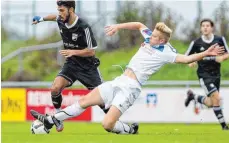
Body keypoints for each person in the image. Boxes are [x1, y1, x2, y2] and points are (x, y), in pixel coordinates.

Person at [30, 21, 224, 134]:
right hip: (120, 80)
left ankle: (130, 130)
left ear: (162, 40)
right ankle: (50, 121)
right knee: (84, 101)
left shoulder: (166, 51)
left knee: (107, 124)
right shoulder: (150, 38)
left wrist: (206, 52)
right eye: (152, 34)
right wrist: (118, 26)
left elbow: (187, 58)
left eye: (155, 36)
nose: (150, 37)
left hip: (132, 88)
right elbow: (139, 25)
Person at [32, 0, 105, 132]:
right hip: (71, 65)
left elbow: (92, 51)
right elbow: (53, 17)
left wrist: (73, 52)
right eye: (58, 10)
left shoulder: (84, 26)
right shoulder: (60, 19)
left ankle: (120, 124)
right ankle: (58, 117)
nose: (59, 14)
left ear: (71, 10)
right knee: (55, 88)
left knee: (103, 101)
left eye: (62, 10)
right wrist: (41, 19)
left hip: (88, 67)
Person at [184, 18, 229, 130]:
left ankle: (192, 96)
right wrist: (192, 62)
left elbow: (228, 53)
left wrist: (222, 58)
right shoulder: (196, 43)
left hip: (216, 74)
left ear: (212, 27)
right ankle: (224, 126)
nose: (205, 27)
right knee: (217, 97)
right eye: (203, 26)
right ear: (201, 28)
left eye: (207, 25)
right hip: (204, 75)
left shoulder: (219, 39)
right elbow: (186, 57)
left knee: (210, 102)